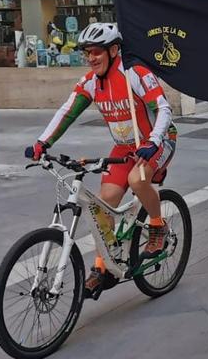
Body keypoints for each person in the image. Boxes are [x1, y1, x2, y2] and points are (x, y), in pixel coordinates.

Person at [27, 23, 178, 298]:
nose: (90, 58)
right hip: (123, 147)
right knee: (102, 205)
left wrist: (154, 141)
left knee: (137, 178)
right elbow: (67, 111)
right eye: (87, 52)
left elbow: (164, 109)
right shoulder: (90, 83)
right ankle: (101, 267)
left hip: (157, 140)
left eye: (96, 51)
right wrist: (42, 142)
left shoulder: (135, 73)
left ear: (113, 50)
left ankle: (157, 225)